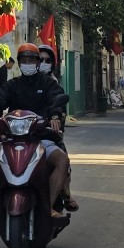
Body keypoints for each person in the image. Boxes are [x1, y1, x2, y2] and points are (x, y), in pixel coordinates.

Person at [0, 41, 70, 220]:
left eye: (31, 60)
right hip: (13, 139)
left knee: (62, 160)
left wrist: (55, 116)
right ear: (19, 62)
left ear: (37, 62)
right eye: (24, 60)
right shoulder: (12, 85)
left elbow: (56, 101)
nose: (28, 64)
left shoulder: (48, 84)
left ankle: (49, 206)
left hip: (41, 138)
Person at [37, 41, 78, 211]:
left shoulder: (54, 85)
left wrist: (55, 118)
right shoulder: (21, 83)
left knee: (63, 159)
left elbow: (59, 108)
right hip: (24, 134)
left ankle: (65, 191)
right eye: (40, 59)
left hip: (48, 133)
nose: (43, 63)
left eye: (47, 60)